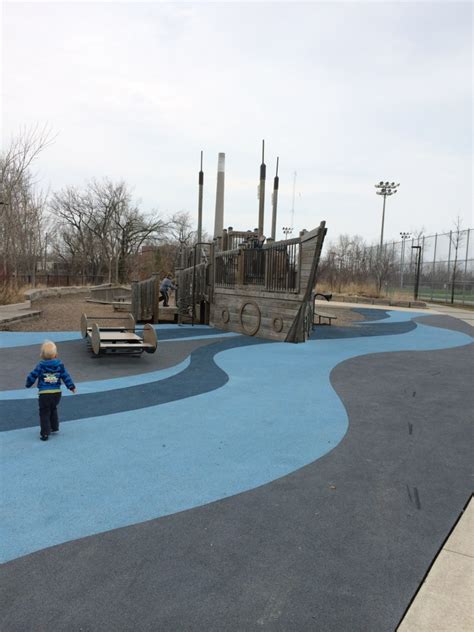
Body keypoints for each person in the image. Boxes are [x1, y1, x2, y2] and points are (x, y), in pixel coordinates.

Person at [25, 340, 76, 441]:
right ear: (56, 355)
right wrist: (71, 386)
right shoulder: (59, 365)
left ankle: (45, 433)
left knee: (44, 412)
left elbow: (33, 375)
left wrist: (28, 383)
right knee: (53, 408)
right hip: (57, 393)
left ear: (41, 355)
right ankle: (54, 427)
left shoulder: (40, 366)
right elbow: (66, 376)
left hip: (44, 394)